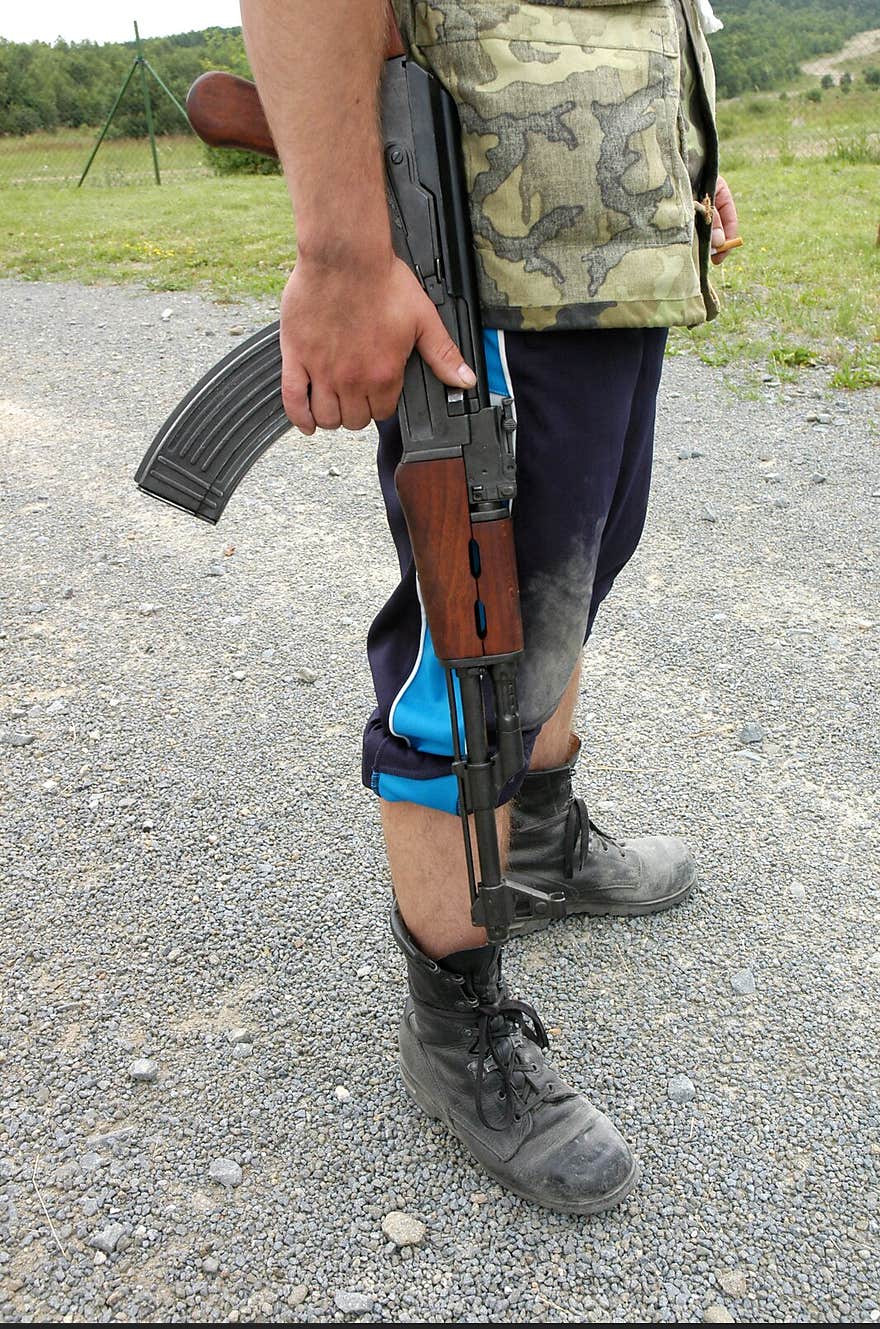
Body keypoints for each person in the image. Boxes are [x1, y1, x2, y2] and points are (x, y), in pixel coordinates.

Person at [238, 0, 739, 1215]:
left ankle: (539, 842)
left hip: (604, 238)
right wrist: (345, 252)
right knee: (476, 638)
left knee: (573, 574)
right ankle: (454, 1014)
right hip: (492, 243)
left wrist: (688, 158)